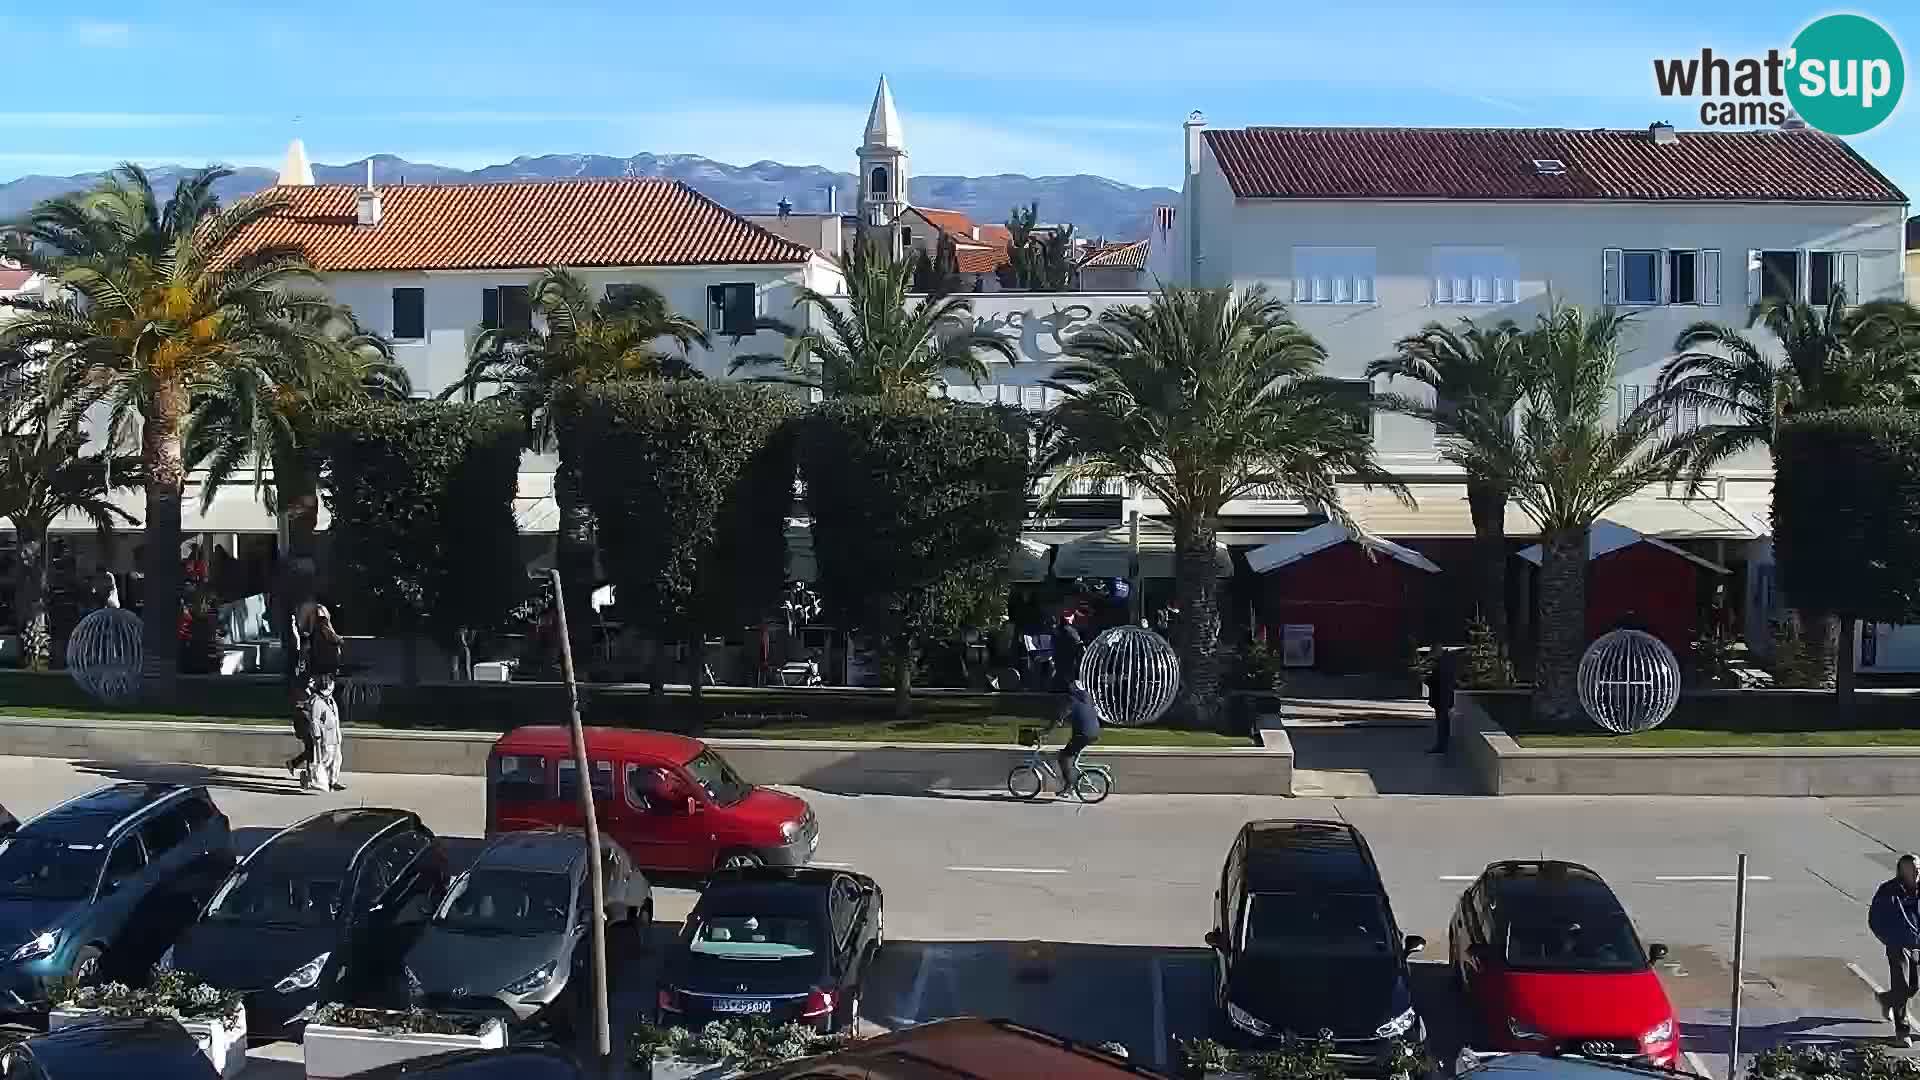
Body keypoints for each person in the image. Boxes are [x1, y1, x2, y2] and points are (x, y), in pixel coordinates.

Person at [1870, 854, 1920, 1045]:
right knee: (1902, 986)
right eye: (1911, 868)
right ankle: (1902, 1031)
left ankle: (1886, 999)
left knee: (1913, 987)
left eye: (1918, 868)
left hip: (1918, 945)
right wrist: (1890, 940)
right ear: (1901, 870)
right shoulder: (1888, 891)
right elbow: (1876, 919)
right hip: (1898, 945)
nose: (1916, 872)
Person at [1050, 679, 1102, 796]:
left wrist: (1049, 729)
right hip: (1094, 732)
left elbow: (1061, 717)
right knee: (1070, 755)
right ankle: (1072, 781)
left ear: (1072, 689)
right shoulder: (1088, 697)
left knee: (1063, 757)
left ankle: (1068, 787)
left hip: (1082, 735)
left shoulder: (1072, 699)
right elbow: (1093, 712)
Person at [305, 673, 344, 793]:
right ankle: (309, 778)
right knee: (326, 759)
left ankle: (333, 781)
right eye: (331, 684)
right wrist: (317, 736)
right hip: (325, 736)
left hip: (334, 735)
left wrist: (338, 734)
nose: (333, 686)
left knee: (337, 759)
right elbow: (315, 721)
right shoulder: (317, 701)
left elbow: (335, 717)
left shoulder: (330, 699)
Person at [1426, 648, 1458, 755]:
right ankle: (1442, 745)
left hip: (1442, 698)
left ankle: (1441, 746)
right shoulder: (1446, 664)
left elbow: (1438, 681)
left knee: (1442, 723)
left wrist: (1426, 679)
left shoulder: (1442, 665)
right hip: (1443, 698)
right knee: (1443, 722)